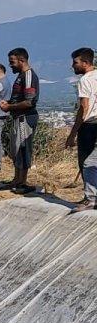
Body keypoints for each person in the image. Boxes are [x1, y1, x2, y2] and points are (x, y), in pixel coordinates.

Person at [0, 48, 39, 194]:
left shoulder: (28, 76)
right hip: (18, 117)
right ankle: (16, 179)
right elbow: (19, 99)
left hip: (25, 118)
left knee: (23, 148)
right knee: (16, 149)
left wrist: (9, 106)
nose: (10, 65)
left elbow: (29, 102)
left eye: (12, 62)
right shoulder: (21, 76)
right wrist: (8, 104)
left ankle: (23, 182)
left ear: (21, 60)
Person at [68, 47, 97, 213]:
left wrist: (73, 133)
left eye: (75, 62)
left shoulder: (85, 80)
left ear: (85, 63)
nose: (73, 66)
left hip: (89, 124)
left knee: (86, 162)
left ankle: (90, 198)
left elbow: (84, 107)